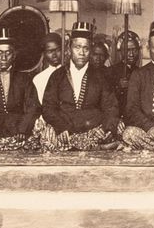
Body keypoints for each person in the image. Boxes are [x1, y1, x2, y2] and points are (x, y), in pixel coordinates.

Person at [40, 22, 120, 150]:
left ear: (90, 50)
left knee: (113, 133)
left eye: (86, 48)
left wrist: (106, 128)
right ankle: (96, 148)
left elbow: (111, 107)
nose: (81, 52)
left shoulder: (100, 76)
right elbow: (48, 107)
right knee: (46, 137)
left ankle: (98, 146)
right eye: (77, 47)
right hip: (65, 130)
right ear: (69, 49)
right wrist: (60, 127)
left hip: (93, 129)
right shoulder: (57, 76)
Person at [109, 30, 142, 114]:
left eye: (134, 50)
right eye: (127, 50)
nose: (131, 54)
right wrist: (118, 87)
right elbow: (106, 101)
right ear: (121, 52)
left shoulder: (141, 72)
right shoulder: (111, 71)